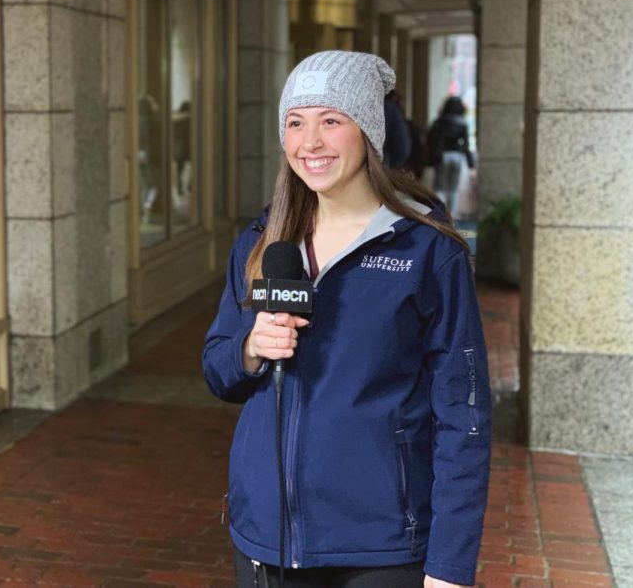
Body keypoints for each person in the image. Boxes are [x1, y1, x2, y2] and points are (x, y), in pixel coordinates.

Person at [203, 51, 491, 588]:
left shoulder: (427, 250)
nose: (309, 143)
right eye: (295, 123)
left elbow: (463, 416)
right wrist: (249, 348)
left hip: (378, 550)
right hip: (266, 538)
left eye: (330, 121)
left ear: (369, 132)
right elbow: (218, 368)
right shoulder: (262, 241)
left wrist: (449, 567)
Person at [427, 97, 474, 215]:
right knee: (453, 188)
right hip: (457, 156)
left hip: (442, 156)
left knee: (439, 187)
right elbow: (466, 144)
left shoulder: (439, 122)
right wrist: (470, 164)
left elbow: (431, 138)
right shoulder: (463, 123)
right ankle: (451, 215)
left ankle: (438, 213)